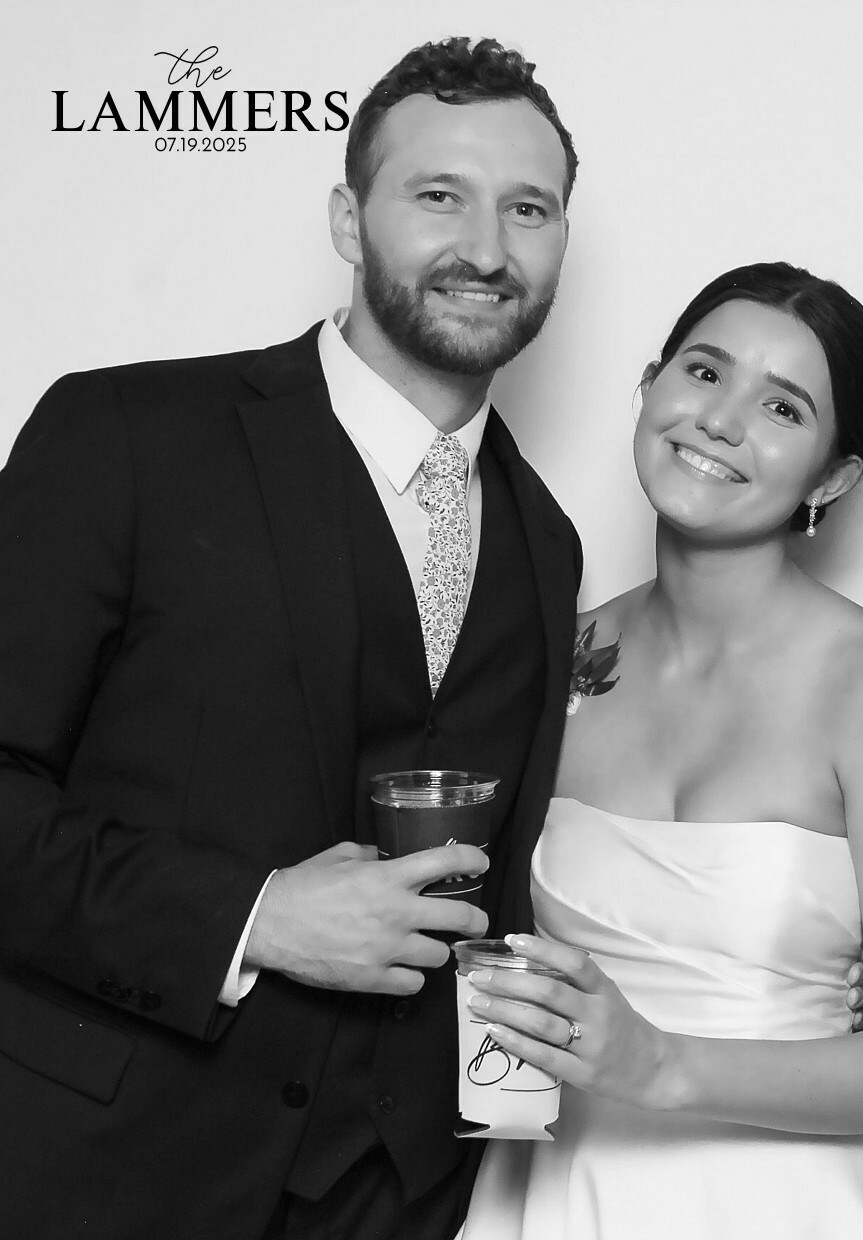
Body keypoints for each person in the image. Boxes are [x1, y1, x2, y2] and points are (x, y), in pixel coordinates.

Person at [0, 38, 581, 1240]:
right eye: (439, 195)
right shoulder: (125, 433)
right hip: (103, 1177)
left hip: (398, 1197)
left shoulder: (546, 539)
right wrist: (253, 916)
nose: (486, 248)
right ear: (346, 220)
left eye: (527, 208)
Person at [457, 262, 863, 1239]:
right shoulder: (555, 657)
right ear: (648, 387)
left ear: (832, 478)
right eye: (704, 372)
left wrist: (662, 1064)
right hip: (558, 1189)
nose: (721, 420)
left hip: (794, 1206)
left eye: (782, 407)